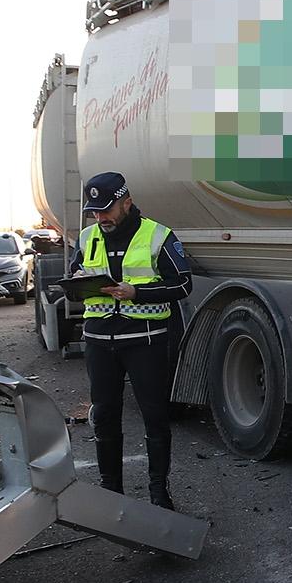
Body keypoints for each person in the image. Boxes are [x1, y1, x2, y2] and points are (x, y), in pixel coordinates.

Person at [77, 171, 192, 510]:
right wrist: (77, 281)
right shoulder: (87, 238)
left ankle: (159, 494)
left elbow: (183, 285)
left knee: (155, 417)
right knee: (105, 416)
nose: (101, 218)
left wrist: (136, 293)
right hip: (98, 341)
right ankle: (111, 493)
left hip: (145, 341)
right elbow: (73, 275)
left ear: (127, 202)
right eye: (95, 212)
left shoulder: (159, 235)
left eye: (107, 210)